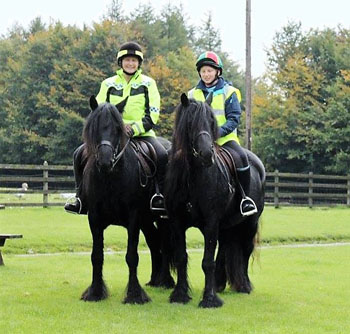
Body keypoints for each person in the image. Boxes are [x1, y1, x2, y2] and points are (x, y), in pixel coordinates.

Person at [64, 41, 167, 214]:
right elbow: (98, 110)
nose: (130, 63)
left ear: (139, 63)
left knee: (162, 155)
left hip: (141, 134)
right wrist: (114, 128)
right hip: (112, 135)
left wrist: (134, 129)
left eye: (134, 60)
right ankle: (80, 197)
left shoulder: (149, 83)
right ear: (121, 62)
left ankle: (159, 196)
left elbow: (153, 114)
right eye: (127, 60)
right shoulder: (108, 84)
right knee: (78, 154)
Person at [188, 51, 257, 217]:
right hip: (198, 141)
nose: (206, 74)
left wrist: (216, 133)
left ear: (218, 72)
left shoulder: (230, 91)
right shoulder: (191, 94)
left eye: (210, 71)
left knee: (241, 157)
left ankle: (245, 198)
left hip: (225, 139)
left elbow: (234, 119)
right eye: (203, 71)